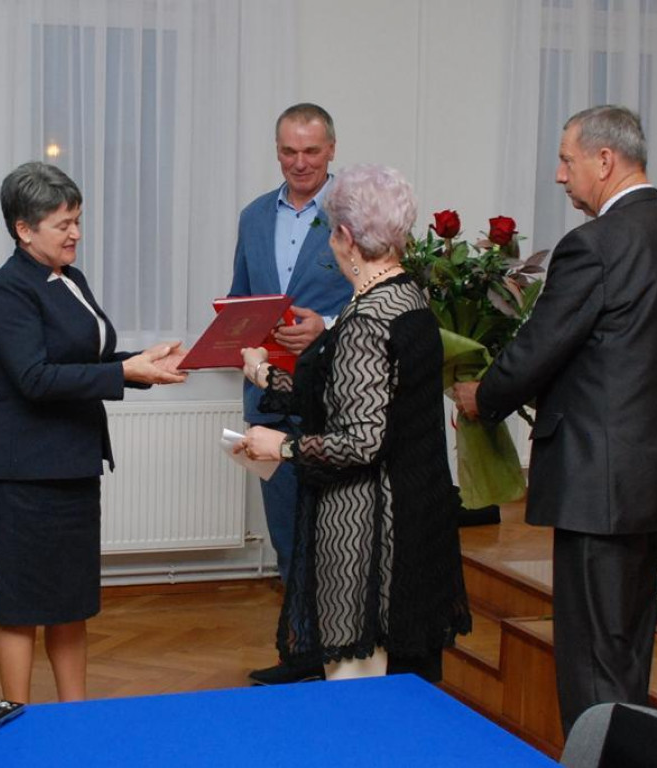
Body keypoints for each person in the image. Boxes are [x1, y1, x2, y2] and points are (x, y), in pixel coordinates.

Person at [453, 105, 657, 735]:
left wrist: (482, 397)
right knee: (627, 643)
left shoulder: (595, 245)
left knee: (593, 658)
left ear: (605, 161)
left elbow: (540, 347)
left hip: (597, 484)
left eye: (566, 159)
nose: (559, 175)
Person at [237, 164, 471, 683]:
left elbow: (362, 440)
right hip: (417, 510)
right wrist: (266, 374)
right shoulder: (408, 297)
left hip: (369, 529)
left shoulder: (366, 318)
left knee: (360, 683)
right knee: (406, 680)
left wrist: (283, 447)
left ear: (345, 236)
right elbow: (349, 393)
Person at [0, 161, 188, 703]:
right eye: (63, 224)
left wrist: (143, 364)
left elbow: (86, 362)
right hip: (30, 472)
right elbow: (35, 378)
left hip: (75, 462)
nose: (76, 233)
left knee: (71, 603)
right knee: (24, 606)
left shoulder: (70, 279)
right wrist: (124, 372)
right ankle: (17, 719)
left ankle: (76, 719)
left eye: (78, 220)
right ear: (24, 230)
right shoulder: (6, 291)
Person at [229, 103, 351, 685]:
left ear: (332, 150)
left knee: (338, 535)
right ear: (276, 151)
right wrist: (232, 340)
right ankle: (299, 654)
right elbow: (240, 302)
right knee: (286, 534)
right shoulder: (254, 216)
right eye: (288, 151)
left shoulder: (355, 214)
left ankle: (342, 654)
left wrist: (326, 326)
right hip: (268, 403)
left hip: (337, 400)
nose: (300, 163)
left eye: (311, 151)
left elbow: (388, 300)